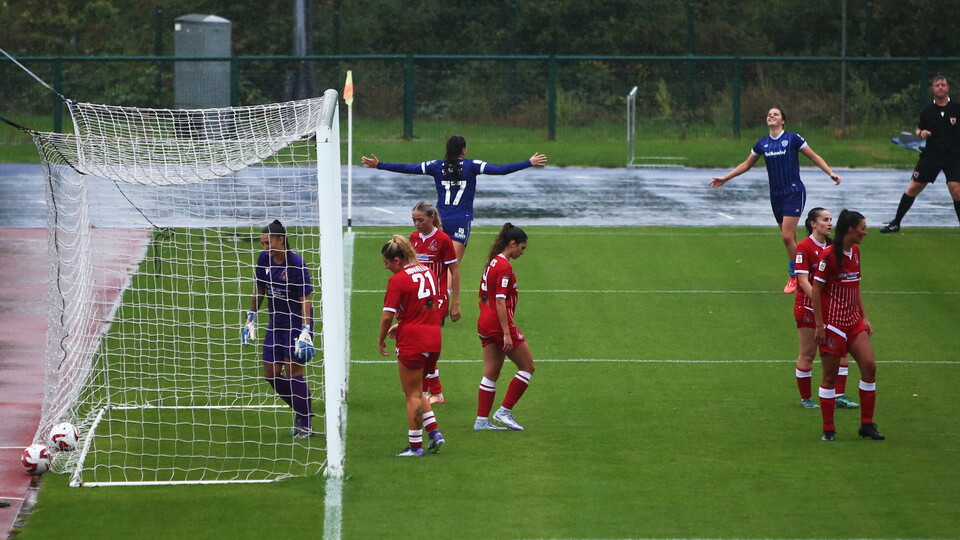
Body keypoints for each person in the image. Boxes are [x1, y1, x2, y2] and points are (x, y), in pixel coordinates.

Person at [710, 108, 842, 294]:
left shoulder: (793, 138)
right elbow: (746, 165)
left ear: (783, 121)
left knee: (787, 237)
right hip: (776, 195)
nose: (771, 116)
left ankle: (794, 275)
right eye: (769, 114)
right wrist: (725, 178)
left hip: (794, 192)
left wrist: (830, 172)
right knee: (792, 239)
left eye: (776, 114)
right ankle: (809, 270)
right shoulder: (763, 144)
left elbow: (813, 156)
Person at [361, 135, 547, 264]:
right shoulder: (472, 165)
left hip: (438, 220)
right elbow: (501, 170)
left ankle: (428, 303)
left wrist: (379, 165)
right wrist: (528, 162)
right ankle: (442, 306)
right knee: (452, 267)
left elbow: (409, 168)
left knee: (433, 265)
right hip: (460, 220)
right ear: (464, 150)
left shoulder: (436, 166)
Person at [811, 210, 884, 442]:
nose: (866, 231)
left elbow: (856, 286)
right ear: (852, 229)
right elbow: (815, 290)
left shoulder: (856, 252)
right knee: (830, 378)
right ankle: (828, 428)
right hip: (833, 325)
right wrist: (820, 326)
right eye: (863, 227)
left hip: (853, 322)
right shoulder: (829, 256)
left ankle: (867, 425)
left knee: (870, 367)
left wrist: (863, 316)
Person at [242, 220, 316, 439]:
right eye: (262, 243)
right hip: (276, 322)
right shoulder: (264, 260)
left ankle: (306, 423)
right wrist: (251, 317)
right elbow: (260, 289)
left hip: (296, 323)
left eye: (267, 243)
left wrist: (305, 329)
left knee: (293, 373)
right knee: (271, 374)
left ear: (280, 239)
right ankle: (303, 408)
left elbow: (305, 300)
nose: (264, 248)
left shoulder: (296, 265)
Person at [378, 235, 446, 457]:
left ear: (397, 260)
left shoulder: (397, 280)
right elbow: (427, 306)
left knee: (412, 394)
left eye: (387, 263)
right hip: (434, 338)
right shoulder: (427, 271)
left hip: (413, 342)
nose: (386, 267)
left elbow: (386, 317)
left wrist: (381, 339)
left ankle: (415, 446)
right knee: (418, 390)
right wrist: (404, 322)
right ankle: (434, 433)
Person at [793, 207, 858, 410]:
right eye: (825, 219)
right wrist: (818, 300)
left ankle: (839, 395)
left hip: (832, 309)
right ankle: (806, 398)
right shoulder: (804, 247)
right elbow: (802, 280)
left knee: (841, 352)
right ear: (813, 223)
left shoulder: (833, 247)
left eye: (831, 219)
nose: (830, 223)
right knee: (808, 353)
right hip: (808, 308)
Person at [474, 223, 536, 431]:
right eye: (522, 248)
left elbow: (484, 295)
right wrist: (507, 334)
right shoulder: (504, 267)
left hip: (485, 322)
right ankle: (504, 411)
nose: (522, 252)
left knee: (491, 371)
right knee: (528, 367)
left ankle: (481, 421)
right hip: (499, 324)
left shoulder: (492, 262)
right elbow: (500, 301)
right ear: (512, 244)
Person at [880, 75, 960, 233]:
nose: (940, 87)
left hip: (953, 155)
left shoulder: (956, 108)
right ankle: (896, 223)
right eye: (937, 85)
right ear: (933, 89)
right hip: (931, 155)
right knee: (914, 187)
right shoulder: (927, 111)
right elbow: (918, 129)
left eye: (943, 84)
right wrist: (921, 133)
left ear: (948, 87)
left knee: (955, 188)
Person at [409, 201, 461, 404]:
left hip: (437, 299)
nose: (416, 224)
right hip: (419, 298)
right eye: (413, 220)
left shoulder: (442, 240)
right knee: (422, 344)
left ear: (431, 217)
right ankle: (429, 391)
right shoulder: (413, 238)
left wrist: (455, 302)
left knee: (427, 344)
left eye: (420, 219)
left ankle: (435, 392)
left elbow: (454, 271)